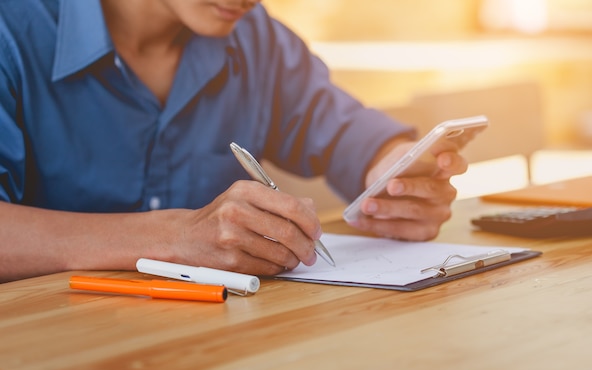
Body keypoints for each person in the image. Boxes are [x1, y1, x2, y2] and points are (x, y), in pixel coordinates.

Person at [0, 0, 467, 282]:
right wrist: (175, 237)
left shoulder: (253, 34)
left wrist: (395, 176)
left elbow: (344, 131)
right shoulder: (13, 30)